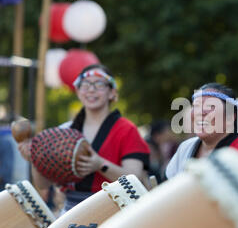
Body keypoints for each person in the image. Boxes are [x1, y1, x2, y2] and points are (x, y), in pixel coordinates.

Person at [18, 64, 150, 214]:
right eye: (85, 84)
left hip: (114, 212)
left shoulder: (127, 129)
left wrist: (100, 164)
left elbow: (135, 178)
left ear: (112, 92)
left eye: (99, 84)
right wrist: (34, 159)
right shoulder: (64, 131)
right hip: (70, 212)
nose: (91, 89)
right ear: (79, 92)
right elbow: (43, 184)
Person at [165, 83, 238, 180]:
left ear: (230, 116)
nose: (201, 112)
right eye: (196, 106)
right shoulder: (185, 147)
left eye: (211, 106)